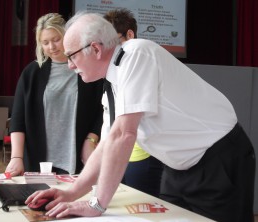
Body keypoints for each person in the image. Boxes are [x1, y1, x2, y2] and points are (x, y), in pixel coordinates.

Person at [26, 12, 256, 222]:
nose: (69, 66)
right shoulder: (112, 84)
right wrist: (72, 192)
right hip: (178, 169)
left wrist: (97, 204)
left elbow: (124, 134)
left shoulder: (136, 53)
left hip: (217, 161)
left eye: (72, 56)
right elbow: (107, 144)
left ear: (95, 49)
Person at [5, 13, 103, 176]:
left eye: (56, 39)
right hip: (39, 161)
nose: (52, 47)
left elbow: (102, 110)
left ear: (67, 36)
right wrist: (16, 156)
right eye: (45, 42)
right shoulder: (32, 73)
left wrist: (90, 139)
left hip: (78, 159)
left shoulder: (87, 69)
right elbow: (18, 119)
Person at [103, 8, 163, 198]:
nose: (107, 50)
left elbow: (129, 127)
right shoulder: (111, 72)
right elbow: (109, 118)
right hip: (117, 154)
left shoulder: (142, 61)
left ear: (130, 34)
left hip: (142, 155)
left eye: (112, 42)